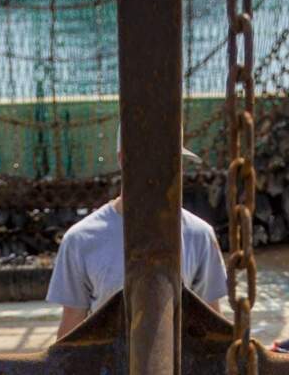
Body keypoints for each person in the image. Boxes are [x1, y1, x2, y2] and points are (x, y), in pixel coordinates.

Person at [47, 127, 229, 339]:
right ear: (123, 159)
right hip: (109, 369)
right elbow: (71, 326)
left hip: (177, 369)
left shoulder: (199, 236)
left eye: (172, 160)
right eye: (155, 160)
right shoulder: (81, 240)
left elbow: (212, 323)